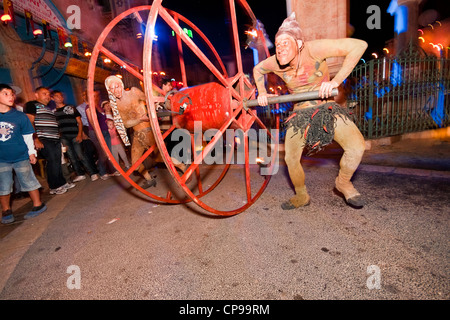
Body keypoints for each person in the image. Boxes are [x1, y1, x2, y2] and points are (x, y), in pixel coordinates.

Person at [253, 13, 368, 209]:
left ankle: (343, 182)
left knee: (357, 147)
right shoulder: (274, 62)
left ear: (298, 44)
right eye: (277, 44)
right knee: (290, 158)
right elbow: (257, 70)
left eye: (285, 43)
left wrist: (335, 81)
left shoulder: (314, 48)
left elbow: (359, 46)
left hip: (326, 108)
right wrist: (262, 93)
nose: (280, 48)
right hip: (299, 115)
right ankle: (301, 195)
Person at [104, 76, 186, 189]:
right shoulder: (115, 106)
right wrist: (139, 119)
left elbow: (149, 99)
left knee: (160, 157)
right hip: (137, 135)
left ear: (121, 85)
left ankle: (183, 167)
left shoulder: (134, 92)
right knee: (136, 163)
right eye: (111, 89)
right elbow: (126, 124)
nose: (115, 90)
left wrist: (159, 104)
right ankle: (149, 179)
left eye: (117, 86)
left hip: (148, 131)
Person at [0, 84, 47, 224]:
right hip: (2, 158)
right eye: (5, 94)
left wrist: (31, 152)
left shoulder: (19, 116)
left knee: (28, 180)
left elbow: (27, 136)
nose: (11, 96)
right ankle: (6, 210)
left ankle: (38, 205)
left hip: (21, 155)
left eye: (11, 93)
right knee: (4, 184)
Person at [24, 87, 76, 195]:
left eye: (48, 94)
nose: (47, 96)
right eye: (44, 94)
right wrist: (35, 138)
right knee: (52, 161)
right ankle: (54, 186)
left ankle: (61, 182)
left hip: (55, 138)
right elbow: (30, 121)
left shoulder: (48, 108)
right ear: (36, 95)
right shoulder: (31, 105)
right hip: (44, 138)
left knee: (57, 161)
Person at [52, 90, 100, 182]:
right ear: (52, 98)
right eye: (57, 96)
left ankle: (93, 173)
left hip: (75, 134)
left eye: (61, 96)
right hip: (64, 137)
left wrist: (80, 134)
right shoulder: (54, 112)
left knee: (81, 154)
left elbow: (79, 122)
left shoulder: (70, 108)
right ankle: (80, 174)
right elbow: (57, 126)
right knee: (71, 157)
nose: (60, 97)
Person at [85, 91, 114, 180]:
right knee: (103, 153)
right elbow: (92, 122)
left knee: (109, 152)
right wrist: (98, 133)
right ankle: (102, 172)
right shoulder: (89, 107)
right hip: (96, 133)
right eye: (93, 96)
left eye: (96, 95)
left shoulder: (99, 107)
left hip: (105, 131)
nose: (95, 97)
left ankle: (111, 171)